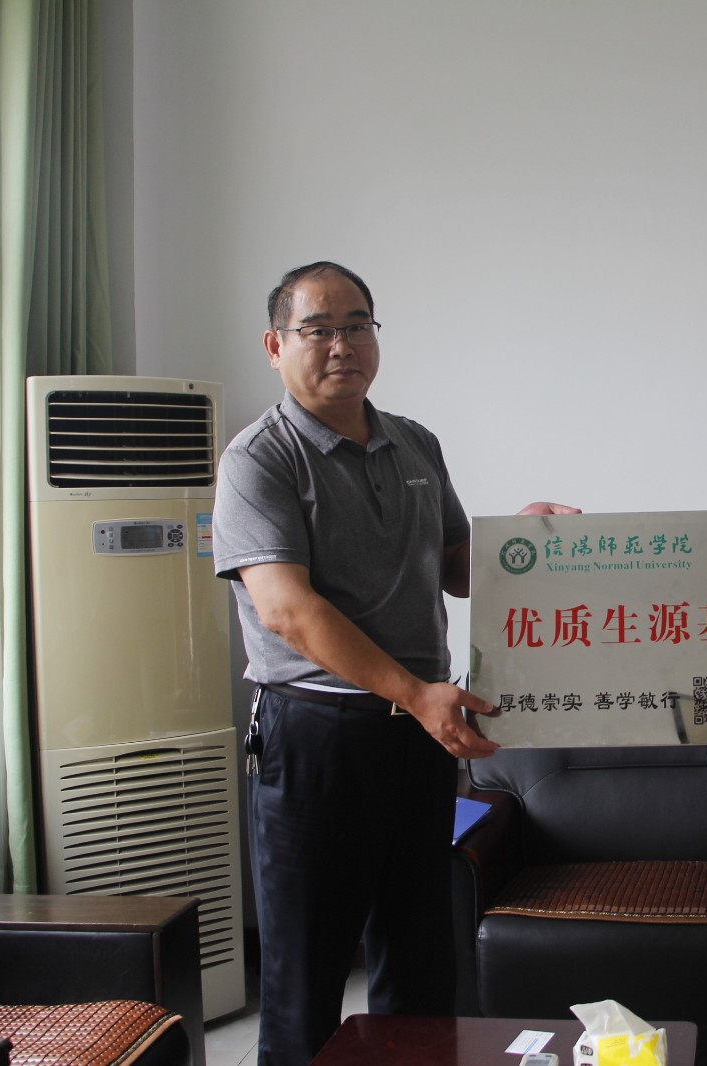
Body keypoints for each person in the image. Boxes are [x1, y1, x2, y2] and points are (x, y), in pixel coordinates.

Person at [212, 260, 576, 1066]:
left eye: (357, 326)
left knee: (419, 959)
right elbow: (287, 610)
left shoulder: (415, 442)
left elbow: (455, 566)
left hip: (417, 737)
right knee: (305, 978)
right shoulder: (258, 460)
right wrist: (415, 692)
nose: (342, 345)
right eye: (318, 329)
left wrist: (524, 542)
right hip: (317, 735)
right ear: (275, 345)